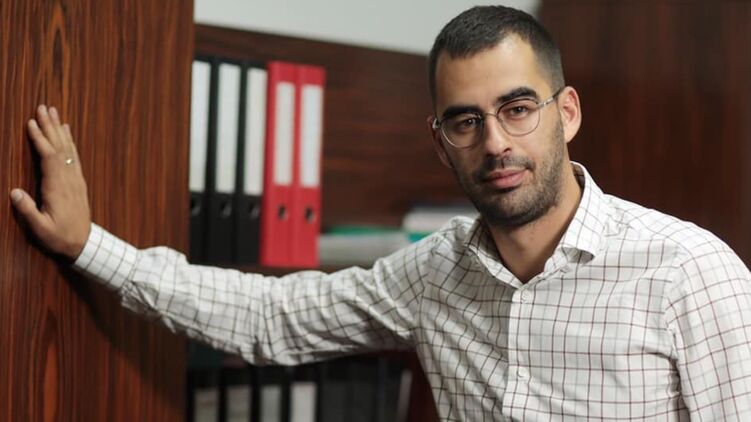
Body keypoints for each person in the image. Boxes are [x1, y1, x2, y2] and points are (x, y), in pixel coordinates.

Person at [10, 5, 751, 421]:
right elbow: (270, 318)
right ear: (440, 143)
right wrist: (88, 245)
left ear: (567, 113)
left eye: (517, 108)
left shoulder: (689, 273)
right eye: (465, 121)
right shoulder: (434, 274)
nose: (495, 142)